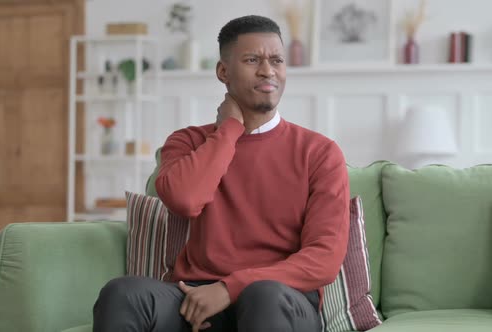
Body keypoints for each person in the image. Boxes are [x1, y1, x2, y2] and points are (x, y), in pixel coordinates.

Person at [93, 15, 349, 332]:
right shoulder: (186, 142)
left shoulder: (320, 153)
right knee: (123, 294)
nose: (268, 70)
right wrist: (228, 130)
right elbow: (185, 200)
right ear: (223, 71)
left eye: (276, 60)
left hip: (280, 299)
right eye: (252, 59)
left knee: (262, 295)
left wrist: (230, 288)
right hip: (196, 297)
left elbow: (324, 258)